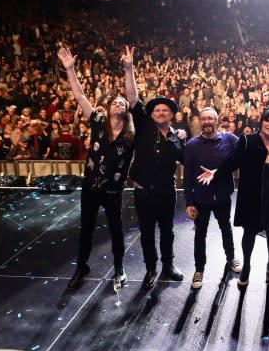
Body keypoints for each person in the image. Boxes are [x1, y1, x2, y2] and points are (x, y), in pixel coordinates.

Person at [58, 46, 136, 292]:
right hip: (90, 188)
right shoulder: (99, 123)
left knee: (116, 230)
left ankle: (119, 268)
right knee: (87, 229)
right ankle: (81, 267)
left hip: (113, 191)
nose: (120, 104)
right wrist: (70, 70)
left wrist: (128, 68)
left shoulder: (131, 134)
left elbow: (133, 97)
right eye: (117, 102)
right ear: (110, 106)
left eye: (123, 104)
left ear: (126, 111)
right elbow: (81, 97)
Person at [198, 106, 269, 289]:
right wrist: (216, 172)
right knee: (250, 233)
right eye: (267, 120)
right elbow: (231, 162)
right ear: (260, 122)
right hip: (251, 196)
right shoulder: (247, 141)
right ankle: (246, 266)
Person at [125, 52, 188, 290]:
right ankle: (151, 267)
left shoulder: (177, 136)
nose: (160, 113)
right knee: (147, 233)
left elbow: (185, 160)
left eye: (165, 111)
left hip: (166, 192)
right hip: (143, 192)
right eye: (157, 111)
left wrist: (183, 139)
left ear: (172, 115)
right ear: (150, 115)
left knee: (168, 231)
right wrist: (129, 68)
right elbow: (132, 97)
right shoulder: (143, 128)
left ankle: (168, 265)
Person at [183, 107, 242, 289]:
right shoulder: (192, 145)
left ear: (217, 120)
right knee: (200, 234)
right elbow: (187, 176)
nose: (207, 121)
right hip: (201, 198)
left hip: (223, 195)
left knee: (226, 229)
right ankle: (199, 269)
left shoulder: (229, 139)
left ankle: (231, 258)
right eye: (204, 119)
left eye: (210, 118)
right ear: (200, 121)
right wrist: (189, 202)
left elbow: (242, 156)